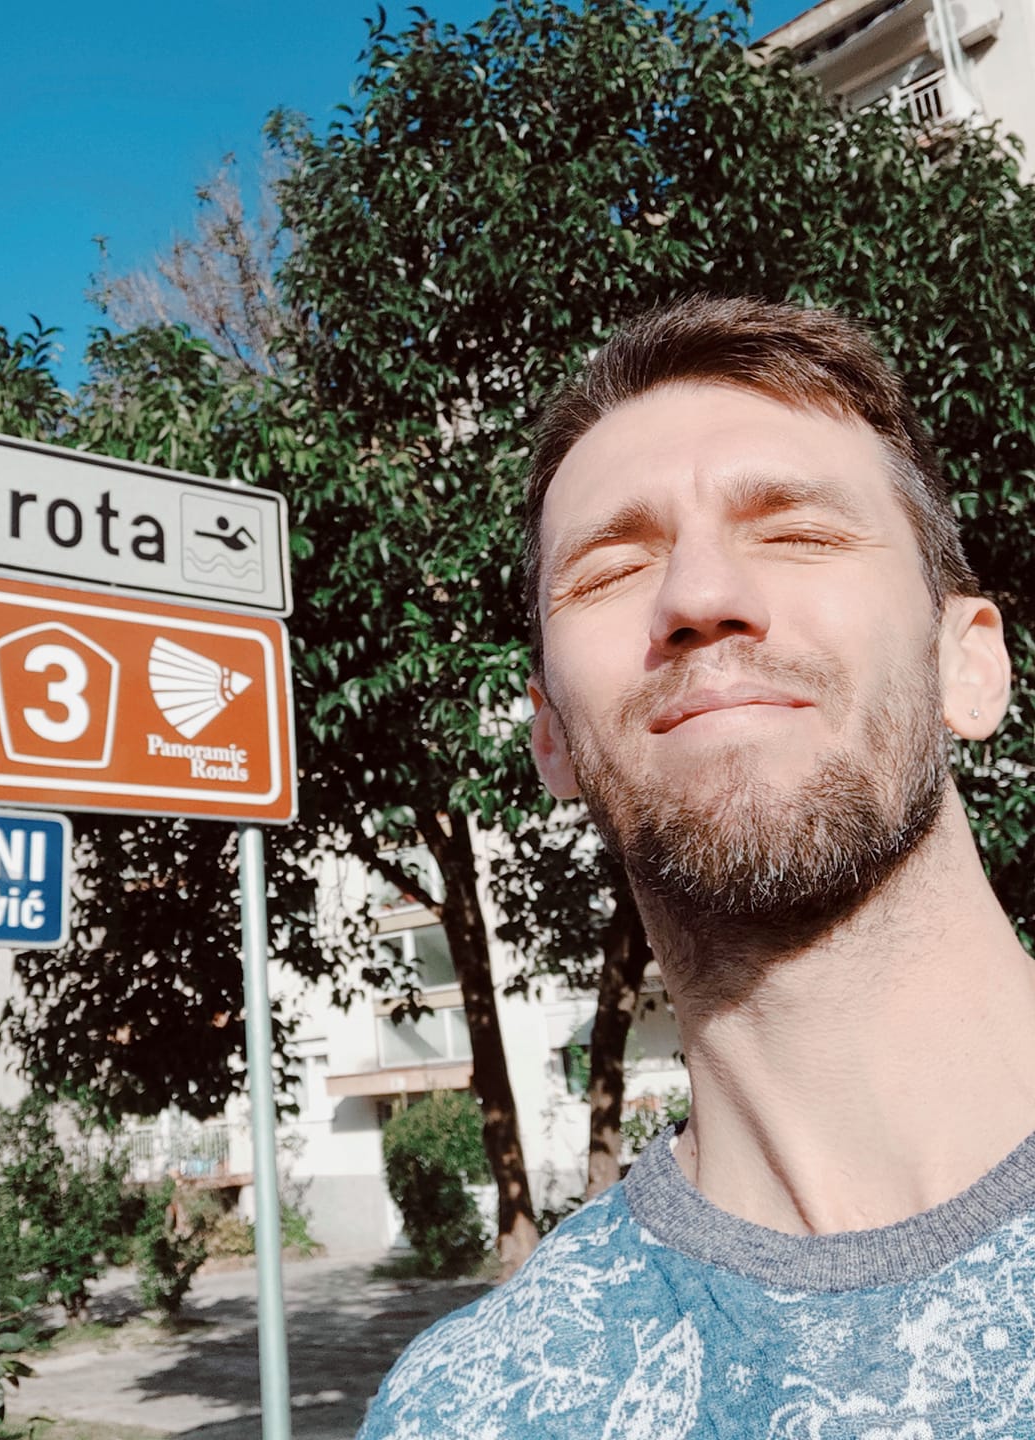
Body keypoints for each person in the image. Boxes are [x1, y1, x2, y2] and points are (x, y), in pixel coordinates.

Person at [358, 294, 1034, 1438]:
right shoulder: (468, 1411)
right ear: (551, 739)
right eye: (608, 570)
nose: (699, 598)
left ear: (967, 666)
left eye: (797, 532)